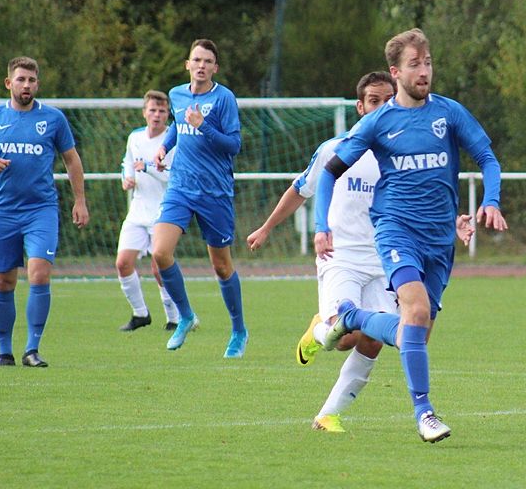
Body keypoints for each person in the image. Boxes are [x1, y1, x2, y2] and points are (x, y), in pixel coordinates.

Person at [247, 71, 474, 433]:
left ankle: (328, 413)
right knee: (341, 336)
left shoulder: (408, 149)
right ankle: (320, 329)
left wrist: (452, 222)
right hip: (342, 258)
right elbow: (299, 190)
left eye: (388, 100)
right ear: (359, 106)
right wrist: (267, 227)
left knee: (371, 340)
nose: (382, 107)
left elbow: (429, 195)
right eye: (373, 101)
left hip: (388, 258)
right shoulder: (334, 150)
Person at [314, 28, 508, 443]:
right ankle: (425, 413)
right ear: (395, 71)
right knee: (415, 313)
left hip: (440, 241)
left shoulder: (448, 113)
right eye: (415, 64)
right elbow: (329, 172)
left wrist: (490, 200)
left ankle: (351, 317)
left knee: (411, 335)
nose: (424, 71)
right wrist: (321, 225)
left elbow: (488, 157)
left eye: (428, 62)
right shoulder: (379, 123)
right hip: (396, 230)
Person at [0, 56, 90, 367]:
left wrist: (80, 200)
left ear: (38, 84)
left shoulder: (53, 119)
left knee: (39, 273)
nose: (27, 85)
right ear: (9, 83)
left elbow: (72, 161)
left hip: (41, 209)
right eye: (21, 80)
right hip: (4, 211)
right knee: (4, 281)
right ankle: (4, 351)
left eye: (32, 80)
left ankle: (32, 349)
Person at [152, 39, 247, 358]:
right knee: (160, 251)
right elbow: (178, 127)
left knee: (221, 266)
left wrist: (203, 125)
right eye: (197, 60)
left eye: (208, 61)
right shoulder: (177, 94)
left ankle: (238, 330)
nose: (202, 65)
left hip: (215, 191)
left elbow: (233, 145)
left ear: (215, 68)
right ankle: (186, 316)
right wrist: (165, 146)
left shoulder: (224, 99)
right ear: (187, 64)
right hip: (180, 186)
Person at [115, 90, 181, 332]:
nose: (157, 115)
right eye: (152, 110)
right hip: (137, 212)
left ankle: (174, 318)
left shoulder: (171, 142)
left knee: (159, 267)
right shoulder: (135, 138)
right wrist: (127, 178)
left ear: (168, 115)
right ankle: (140, 314)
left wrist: (149, 169)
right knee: (123, 263)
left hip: (163, 214)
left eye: (162, 111)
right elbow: (127, 163)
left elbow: (175, 176)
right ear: (144, 112)